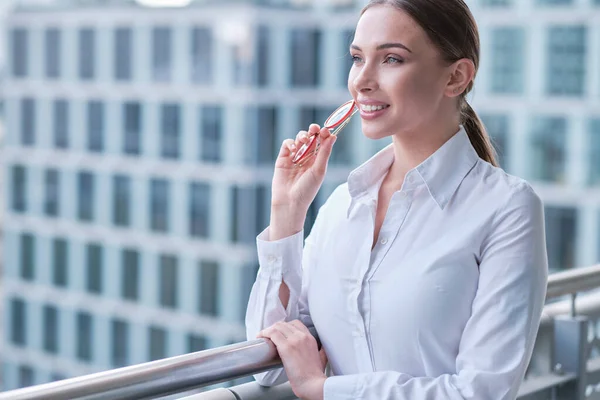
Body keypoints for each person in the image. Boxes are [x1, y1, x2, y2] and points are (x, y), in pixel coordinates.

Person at [245, 0, 548, 399]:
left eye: (391, 59)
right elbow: (270, 366)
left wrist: (324, 391)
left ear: (456, 77)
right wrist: (287, 215)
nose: (361, 81)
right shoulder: (342, 205)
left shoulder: (508, 209)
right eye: (357, 58)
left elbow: (481, 392)